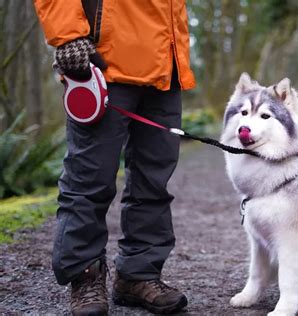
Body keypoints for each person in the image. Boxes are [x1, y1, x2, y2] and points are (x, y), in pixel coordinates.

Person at [33, 1, 195, 314]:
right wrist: (68, 36)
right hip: (104, 60)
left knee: (154, 181)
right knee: (89, 177)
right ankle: (85, 275)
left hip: (167, 64)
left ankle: (138, 275)